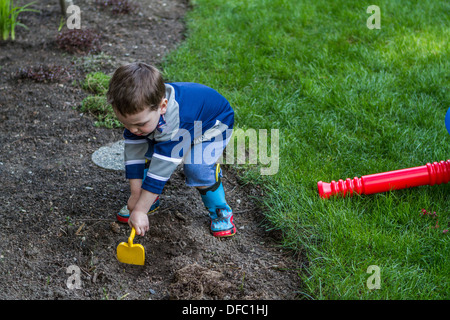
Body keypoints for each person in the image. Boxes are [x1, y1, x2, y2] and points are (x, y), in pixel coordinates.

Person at [106, 62, 236, 238]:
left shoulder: (175, 124)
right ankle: (148, 199)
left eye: (139, 124)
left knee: (197, 168)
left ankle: (220, 210)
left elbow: (161, 169)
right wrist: (136, 199)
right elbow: (134, 156)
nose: (131, 130)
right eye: (125, 123)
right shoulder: (141, 116)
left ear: (163, 106)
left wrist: (140, 211)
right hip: (173, 128)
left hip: (212, 125)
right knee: (144, 146)